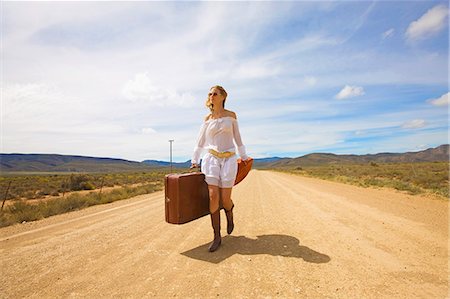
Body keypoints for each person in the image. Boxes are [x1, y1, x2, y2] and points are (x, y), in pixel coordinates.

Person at [190, 85, 249, 252]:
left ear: (223, 96)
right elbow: (200, 142)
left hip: (229, 159)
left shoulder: (231, 116)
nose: (211, 96)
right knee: (213, 195)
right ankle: (217, 236)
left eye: (215, 93)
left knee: (225, 199)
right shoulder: (207, 119)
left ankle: (229, 213)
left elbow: (238, 138)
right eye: (209, 94)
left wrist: (244, 157)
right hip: (211, 159)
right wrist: (195, 159)